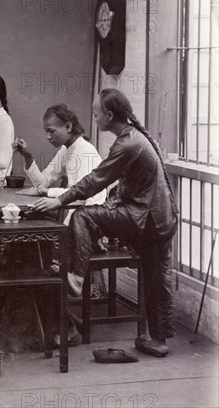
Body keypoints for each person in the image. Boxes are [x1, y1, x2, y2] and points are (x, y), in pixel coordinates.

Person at [33, 89, 179, 357]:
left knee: (83, 215)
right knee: (157, 277)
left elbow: (95, 180)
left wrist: (60, 200)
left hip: (148, 219)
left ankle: (77, 278)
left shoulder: (128, 144)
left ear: (110, 115)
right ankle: (159, 341)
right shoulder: (132, 137)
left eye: (97, 112)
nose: (93, 117)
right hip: (155, 218)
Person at [14, 103, 107, 225]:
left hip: (90, 219)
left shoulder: (85, 151)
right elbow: (42, 182)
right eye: (46, 131)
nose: (48, 136)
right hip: (77, 216)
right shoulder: (66, 150)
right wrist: (27, 156)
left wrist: (45, 192)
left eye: (51, 131)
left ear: (68, 127)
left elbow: (80, 195)